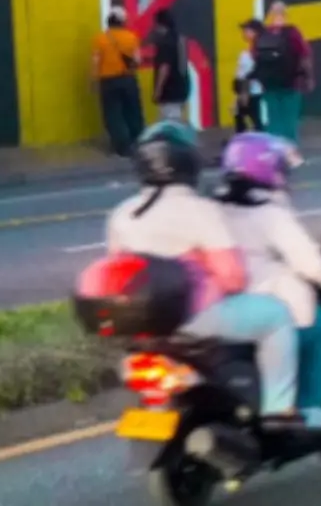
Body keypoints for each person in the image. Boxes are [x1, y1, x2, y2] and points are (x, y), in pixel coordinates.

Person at [95, 122, 303, 426]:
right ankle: (278, 408)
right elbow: (233, 277)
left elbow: (115, 269)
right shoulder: (200, 210)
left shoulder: (123, 213)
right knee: (277, 317)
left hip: (140, 327)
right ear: (189, 163)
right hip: (197, 318)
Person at [215, 133, 321, 429]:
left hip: (217, 307)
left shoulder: (214, 208)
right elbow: (312, 265)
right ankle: (310, 405)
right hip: (267, 304)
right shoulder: (270, 214)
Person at [253, 2, 313, 142]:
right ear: (285, 15)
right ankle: (289, 154)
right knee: (290, 121)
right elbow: (304, 54)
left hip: (269, 85)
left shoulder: (262, 34)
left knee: (274, 121)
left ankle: (274, 154)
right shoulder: (292, 32)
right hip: (292, 83)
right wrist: (308, 78)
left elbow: (255, 57)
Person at [91, 9, 144, 157]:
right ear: (123, 22)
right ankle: (137, 141)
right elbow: (138, 61)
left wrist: (94, 80)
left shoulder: (100, 39)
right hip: (128, 79)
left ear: (108, 22)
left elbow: (96, 61)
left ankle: (121, 146)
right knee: (133, 111)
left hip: (108, 81)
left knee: (113, 114)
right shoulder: (132, 37)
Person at [148, 8, 190, 123]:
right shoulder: (180, 39)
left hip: (170, 91)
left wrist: (157, 90)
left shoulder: (164, 42)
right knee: (177, 121)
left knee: (170, 124)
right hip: (182, 87)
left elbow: (164, 68)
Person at [234, 18, 265, 132]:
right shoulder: (249, 51)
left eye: (247, 30)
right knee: (240, 116)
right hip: (247, 90)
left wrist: (244, 90)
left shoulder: (258, 51)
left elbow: (254, 72)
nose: (244, 33)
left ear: (256, 32)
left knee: (254, 119)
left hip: (253, 92)